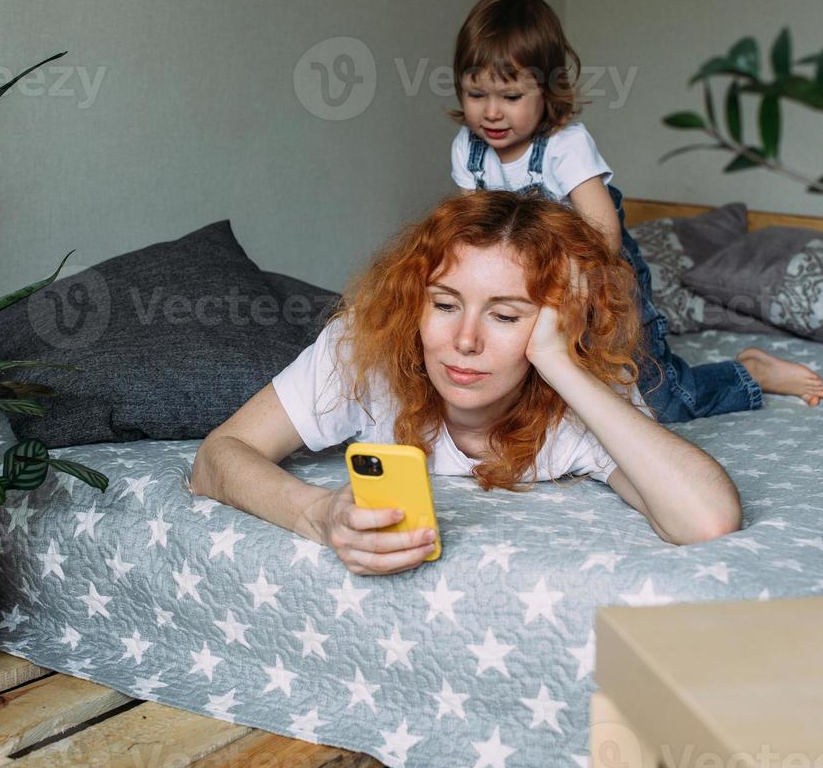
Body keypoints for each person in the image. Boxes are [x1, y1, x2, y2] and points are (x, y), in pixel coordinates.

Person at [191, 191, 742, 577]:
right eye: (445, 305)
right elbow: (218, 456)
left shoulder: (583, 385)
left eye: (505, 316)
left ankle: (750, 370)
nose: (465, 341)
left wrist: (557, 359)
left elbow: (707, 520)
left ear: (560, 321)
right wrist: (317, 514)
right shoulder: (363, 348)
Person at [448, 0, 823, 419]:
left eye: (511, 97)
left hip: (601, 278)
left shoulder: (564, 146)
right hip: (525, 283)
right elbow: (472, 229)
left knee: (659, 401)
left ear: (548, 91)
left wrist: (570, 294)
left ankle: (750, 373)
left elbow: (603, 234)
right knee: (542, 386)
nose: (492, 113)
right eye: (476, 95)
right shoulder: (469, 148)